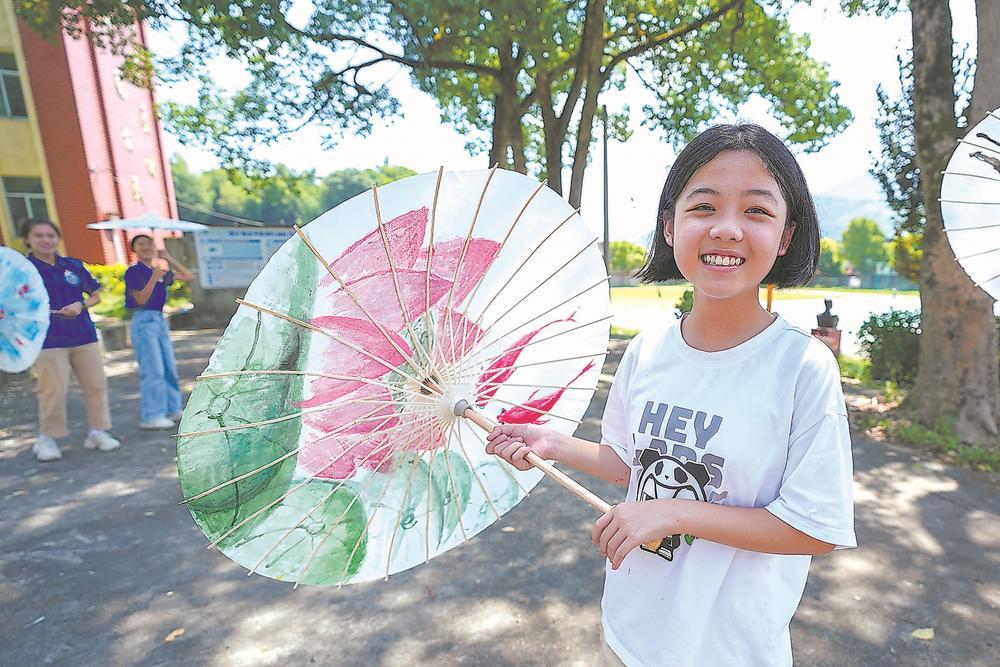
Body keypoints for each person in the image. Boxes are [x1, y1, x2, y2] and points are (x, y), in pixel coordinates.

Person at [486, 124, 856, 666]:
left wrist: (674, 514)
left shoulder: (802, 367)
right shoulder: (648, 349)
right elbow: (632, 464)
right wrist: (553, 443)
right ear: (669, 227)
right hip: (629, 636)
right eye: (703, 207)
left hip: (730, 651)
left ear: (784, 236)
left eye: (756, 211)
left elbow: (814, 528)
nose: (727, 229)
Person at [22, 218, 120, 461]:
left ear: (58, 238)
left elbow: (95, 295)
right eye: (39, 236)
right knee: (53, 389)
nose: (46, 240)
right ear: (27, 239)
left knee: (96, 384)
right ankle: (48, 439)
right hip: (48, 340)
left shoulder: (73, 265)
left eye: (50, 235)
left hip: (84, 335)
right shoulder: (22, 270)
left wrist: (81, 304)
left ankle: (98, 431)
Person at [124, 234, 194, 429]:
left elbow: (189, 276)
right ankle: (152, 414)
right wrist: (154, 279)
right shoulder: (134, 272)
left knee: (168, 366)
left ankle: (173, 408)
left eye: (149, 243)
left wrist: (169, 258)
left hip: (159, 320)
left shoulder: (159, 271)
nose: (146, 247)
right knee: (152, 368)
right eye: (141, 244)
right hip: (143, 319)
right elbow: (140, 299)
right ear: (134, 249)